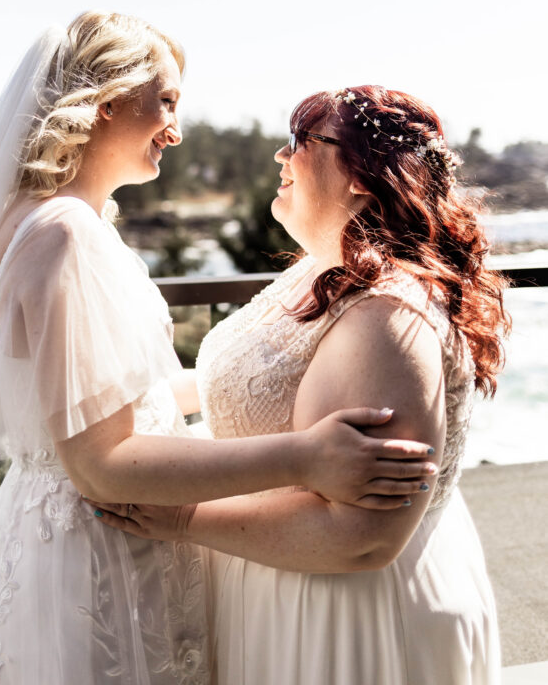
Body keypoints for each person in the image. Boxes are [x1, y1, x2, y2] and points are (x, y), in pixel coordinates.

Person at [0, 20, 436, 685]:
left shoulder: (43, 219)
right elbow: (100, 463)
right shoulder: (63, 235)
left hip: (73, 540)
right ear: (108, 102)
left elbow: (102, 394)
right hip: (100, 555)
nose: (175, 131)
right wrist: (306, 454)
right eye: (167, 102)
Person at [93, 84, 507, 685]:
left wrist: (181, 518)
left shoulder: (389, 317)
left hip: (347, 619)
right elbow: (244, 388)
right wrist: (93, 413)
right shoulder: (322, 270)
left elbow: (363, 538)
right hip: (279, 587)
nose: (281, 159)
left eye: (301, 142)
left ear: (363, 174)